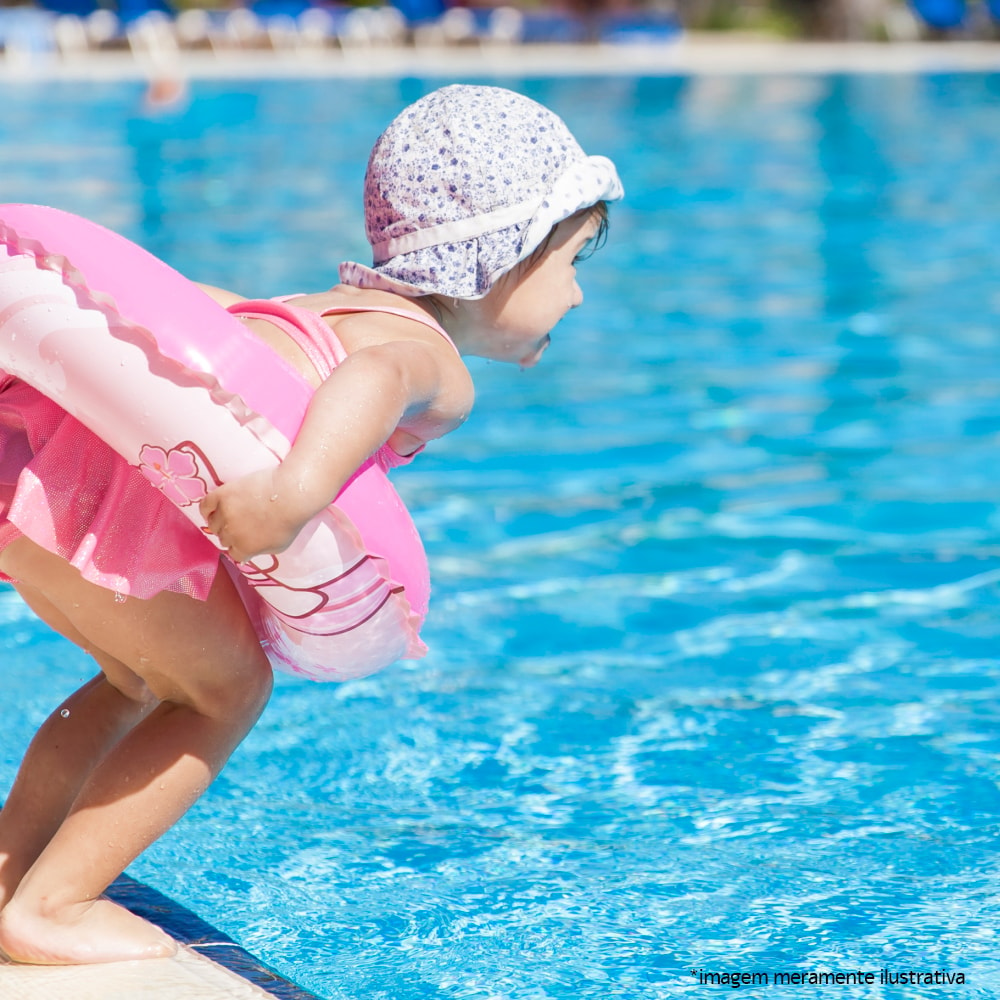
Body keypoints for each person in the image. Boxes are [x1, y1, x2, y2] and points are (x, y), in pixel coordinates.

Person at [0, 84, 622, 966]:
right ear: (500, 259)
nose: (577, 298)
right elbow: (376, 382)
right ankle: (52, 910)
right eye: (572, 264)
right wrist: (293, 494)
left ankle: (8, 867)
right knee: (224, 691)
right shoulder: (439, 365)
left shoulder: (303, 304)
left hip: (41, 491)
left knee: (134, 680)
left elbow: (176, 322)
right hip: (127, 520)